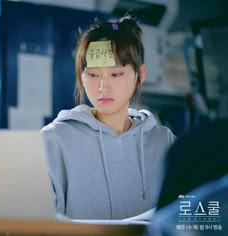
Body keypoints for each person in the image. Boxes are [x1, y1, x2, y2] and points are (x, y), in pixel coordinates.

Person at [41, 14, 175, 220]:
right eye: (93, 75)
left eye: (116, 74)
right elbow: (37, 225)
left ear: (140, 75)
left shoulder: (164, 142)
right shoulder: (53, 140)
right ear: (81, 76)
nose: (103, 87)